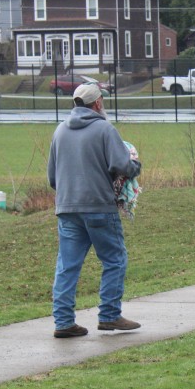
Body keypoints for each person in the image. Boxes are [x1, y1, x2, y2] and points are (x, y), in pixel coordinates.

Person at [48, 83, 142, 338]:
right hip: (99, 206)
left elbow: (53, 178)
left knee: (67, 265)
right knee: (114, 259)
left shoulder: (60, 131)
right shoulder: (104, 129)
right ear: (98, 103)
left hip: (67, 207)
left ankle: (63, 322)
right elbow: (122, 165)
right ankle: (109, 315)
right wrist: (135, 165)